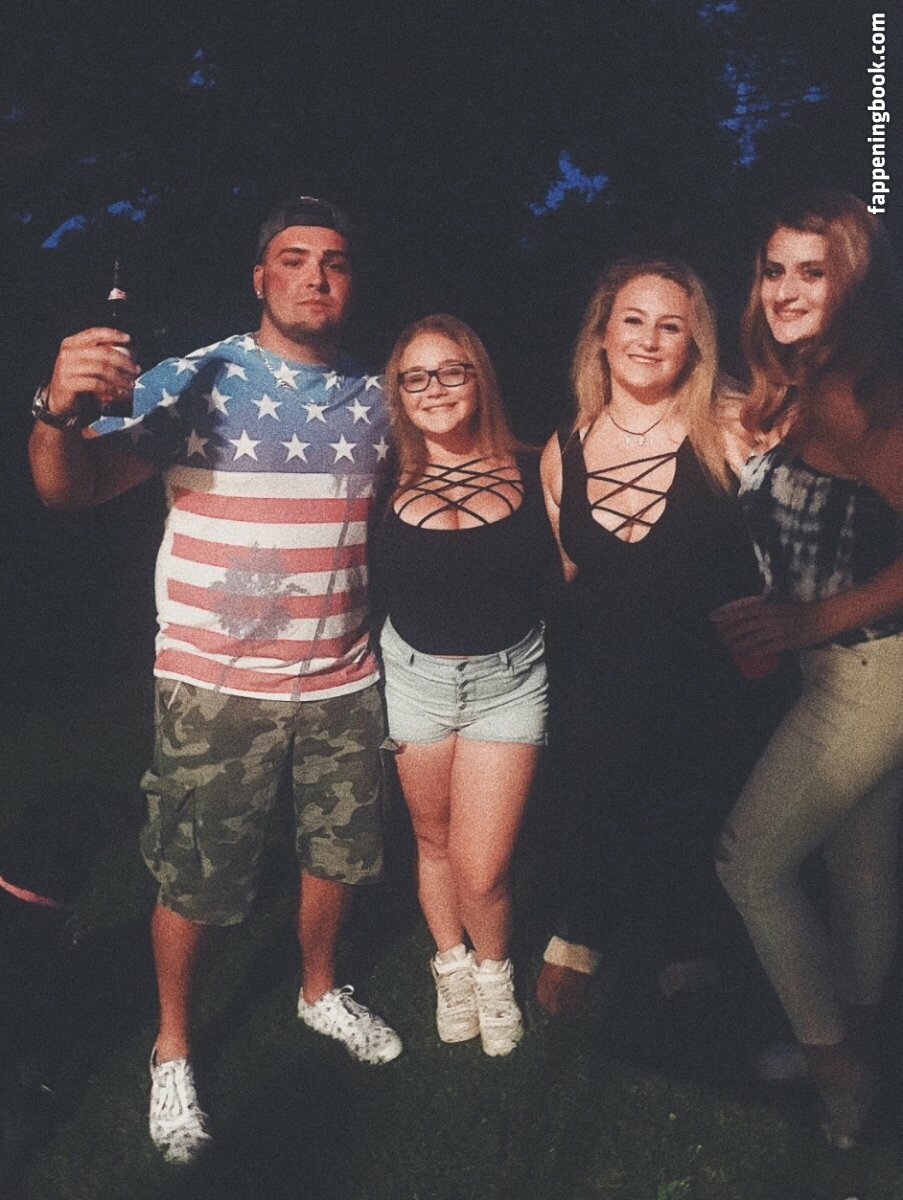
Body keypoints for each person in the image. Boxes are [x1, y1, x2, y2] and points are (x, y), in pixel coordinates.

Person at [28, 196, 402, 1166]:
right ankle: (174, 1049)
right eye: (294, 258)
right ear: (260, 277)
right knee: (196, 880)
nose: (316, 276)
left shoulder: (380, 396)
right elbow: (68, 487)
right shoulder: (195, 379)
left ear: (351, 281)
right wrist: (55, 411)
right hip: (212, 686)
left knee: (339, 856)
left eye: (335, 260)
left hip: (342, 679)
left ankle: (319, 992)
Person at [534, 258, 788, 1017]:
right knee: (591, 800)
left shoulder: (730, 428)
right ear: (602, 335)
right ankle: (580, 931)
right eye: (633, 321)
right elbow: (566, 574)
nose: (648, 340)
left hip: (705, 680)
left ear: (693, 344)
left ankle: (687, 939)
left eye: (670, 326)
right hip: (600, 677)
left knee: (692, 812)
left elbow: (795, 541)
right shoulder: (564, 446)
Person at [714, 188, 903, 1149]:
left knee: (748, 864)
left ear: (852, 283)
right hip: (837, 670)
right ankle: (862, 1046)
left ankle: (835, 1072)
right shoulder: (791, 385)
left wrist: (806, 621)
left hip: (871, 672)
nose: (785, 289)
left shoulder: (862, 395)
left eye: (812, 272)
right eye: (773, 270)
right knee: (859, 869)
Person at [372, 314, 556, 1055]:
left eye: (452, 371)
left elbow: (581, 563)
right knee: (432, 840)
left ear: (479, 377)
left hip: (508, 684)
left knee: (483, 867)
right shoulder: (380, 475)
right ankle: (451, 964)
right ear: (398, 393)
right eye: (415, 377)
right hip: (412, 680)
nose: (435, 389)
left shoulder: (536, 465)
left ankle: (493, 971)